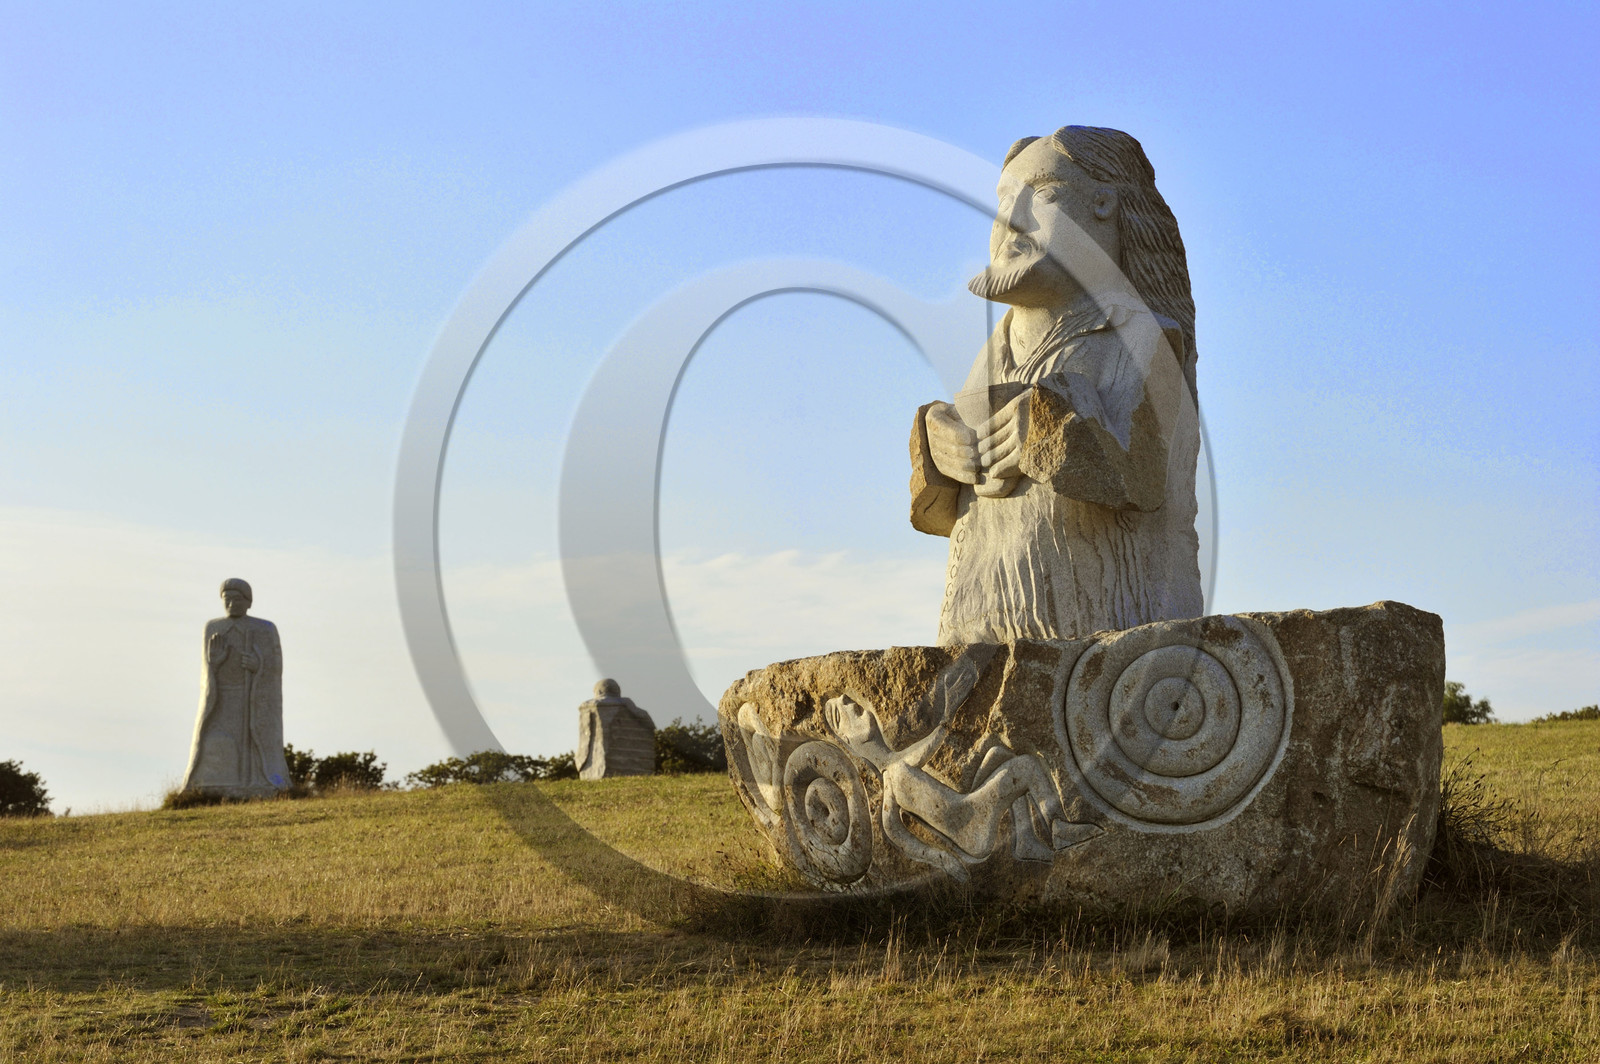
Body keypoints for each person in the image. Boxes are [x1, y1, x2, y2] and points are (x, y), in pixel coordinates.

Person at [911, 126, 1203, 643]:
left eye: (1041, 193)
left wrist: (1042, 429)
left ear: (1103, 206)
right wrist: (937, 441)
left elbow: (1142, 477)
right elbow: (938, 512)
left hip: (1103, 633)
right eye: (1003, 200)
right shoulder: (997, 347)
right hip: (976, 628)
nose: (1010, 220)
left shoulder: (1142, 337)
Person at [181, 578, 290, 796]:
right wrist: (215, 663)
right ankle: (213, 785)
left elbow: (275, 667)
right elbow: (206, 670)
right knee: (220, 740)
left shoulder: (264, 629)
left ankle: (258, 782)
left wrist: (258, 665)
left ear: (248, 602)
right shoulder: (214, 628)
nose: (231, 604)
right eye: (226, 599)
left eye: (237, 599)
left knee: (253, 741)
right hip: (221, 699)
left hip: (252, 697)